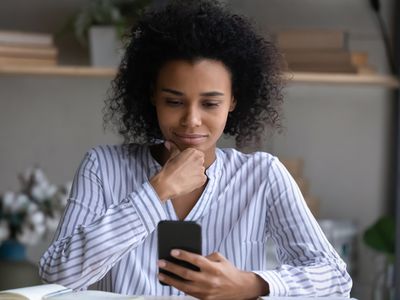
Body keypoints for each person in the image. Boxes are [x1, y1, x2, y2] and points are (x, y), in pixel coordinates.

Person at [39, 0, 352, 298]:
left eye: (210, 103)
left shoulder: (263, 175)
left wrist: (250, 284)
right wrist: (157, 190)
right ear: (152, 96)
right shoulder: (104, 167)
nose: (191, 120)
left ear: (233, 100)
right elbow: (57, 276)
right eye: (174, 101)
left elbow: (336, 279)